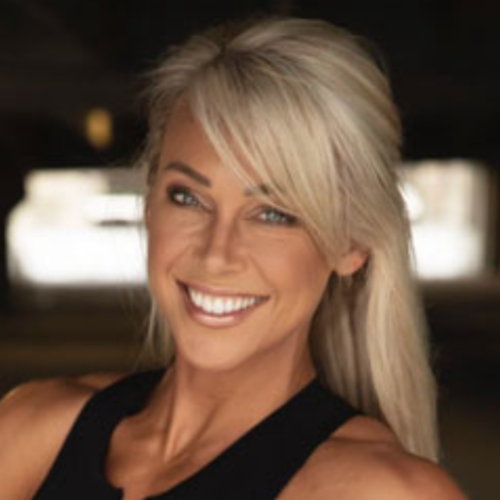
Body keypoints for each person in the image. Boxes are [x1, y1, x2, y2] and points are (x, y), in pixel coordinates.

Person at [0, 16, 469, 500]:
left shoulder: (384, 492)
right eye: (188, 198)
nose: (216, 253)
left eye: (273, 214)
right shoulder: (31, 430)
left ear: (351, 244)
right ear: (150, 201)